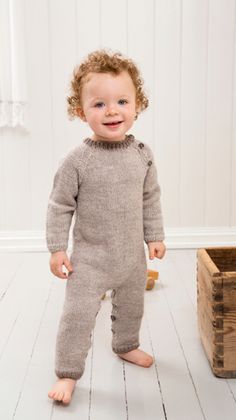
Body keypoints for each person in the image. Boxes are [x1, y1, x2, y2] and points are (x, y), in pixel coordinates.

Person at [46, 49, 166, 405]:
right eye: (99, 104)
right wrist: (57, 247)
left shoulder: (142, 153)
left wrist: (154, 236)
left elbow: (150, 197)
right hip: (91, 260)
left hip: (131, 258)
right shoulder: (77, 160)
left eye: (122, 101)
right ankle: (67, 373)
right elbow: (60, 204)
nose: (112, 111)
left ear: (137, 105)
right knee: (77, 316)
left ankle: (126, 345)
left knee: (132, 307)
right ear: (81, 111)